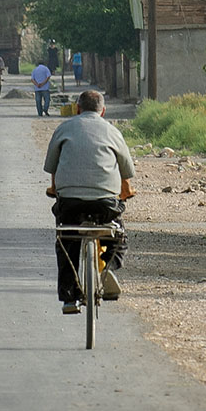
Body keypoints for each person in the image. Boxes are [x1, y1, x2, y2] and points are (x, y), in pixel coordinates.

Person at [43, 89, 134, 314]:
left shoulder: (63, 128)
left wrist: (56, 190)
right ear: (103, 111)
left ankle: (69, 298)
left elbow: (51, 167)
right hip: (104, 202)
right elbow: (127, 171)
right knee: (118, 236)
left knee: (66, 240)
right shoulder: (113, 131)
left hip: (70, 201)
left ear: (77, 109)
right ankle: (108, 268)